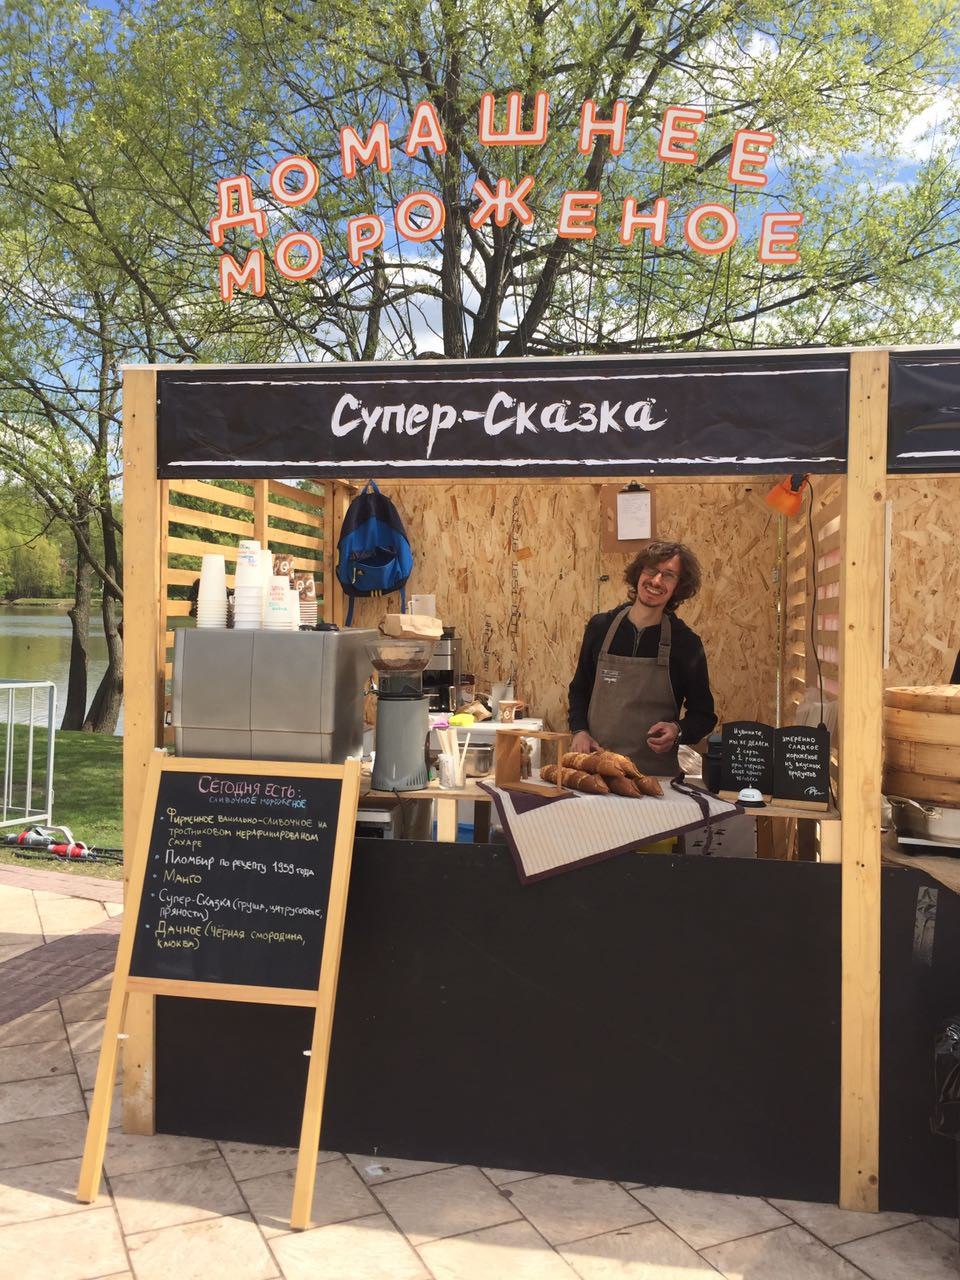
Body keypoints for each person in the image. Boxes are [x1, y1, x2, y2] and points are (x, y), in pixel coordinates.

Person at [568, 539, 717, 776]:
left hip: (654, 778)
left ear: (678, 586)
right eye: (651, 570)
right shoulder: (600, 628)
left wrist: (677, 730)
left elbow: (704, 715)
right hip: (596, 770)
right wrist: (579, 731)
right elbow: (579, 689)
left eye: (668, 575)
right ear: (638, 573)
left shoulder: (686, 644)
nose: (656, 581)